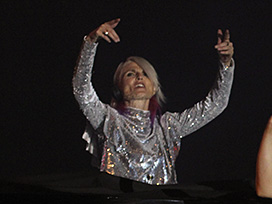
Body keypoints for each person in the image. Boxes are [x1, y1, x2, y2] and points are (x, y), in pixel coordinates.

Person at [72, 18, 235, 186]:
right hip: (119, 200)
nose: (139, 77)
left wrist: (226, 65)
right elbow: (81, 90)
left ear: (154, 87)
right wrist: (90, 42)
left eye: (145, 74)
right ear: (118, 87)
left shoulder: (167, 127)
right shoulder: (108, 119)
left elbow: (216, 105)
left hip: (160, 201)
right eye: (130, 74)